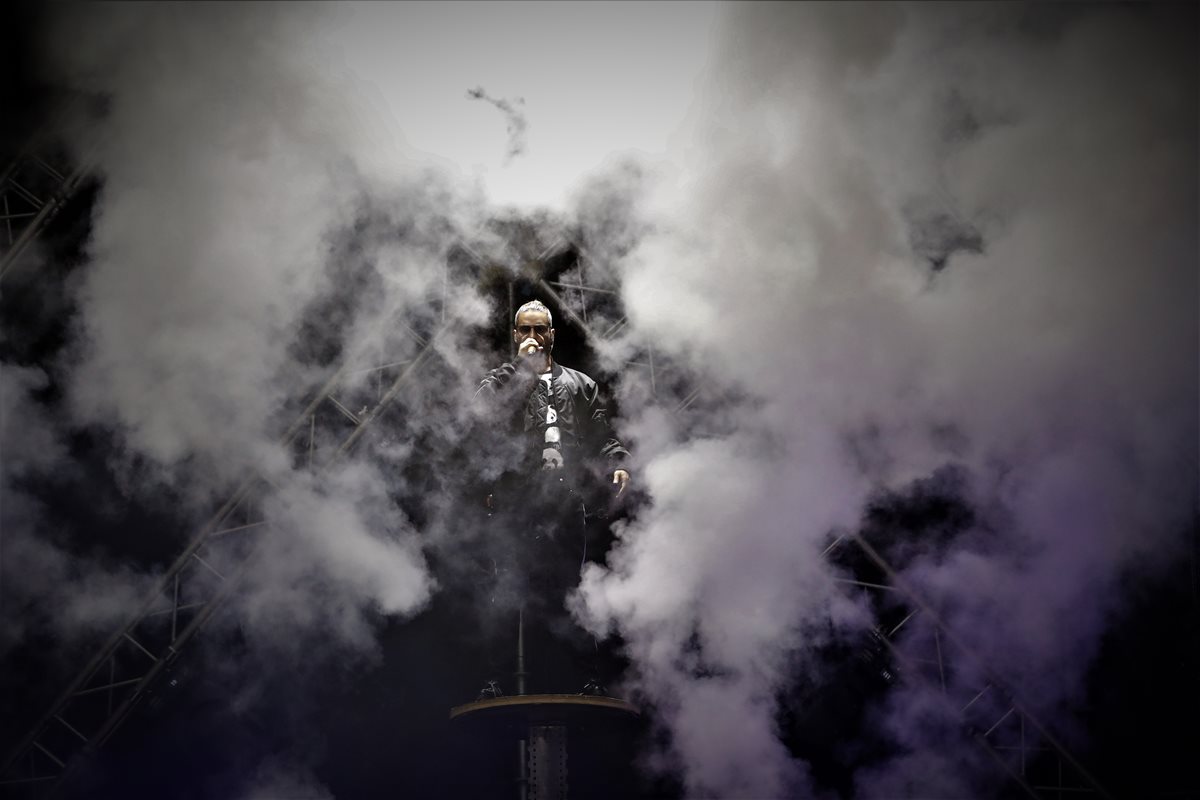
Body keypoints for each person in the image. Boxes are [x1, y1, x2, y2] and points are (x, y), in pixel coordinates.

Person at [470, 299, 630, 695]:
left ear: (552, 334)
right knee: (506, 589)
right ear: (515, 335)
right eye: (524, 330)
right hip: (515, 500)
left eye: (539, 329)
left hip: (564, 500)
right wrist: (518, 373)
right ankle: (494, 682)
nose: (532, 338)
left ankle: (586, 680)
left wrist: (617, 462)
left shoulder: (580, 383)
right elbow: (480, 416)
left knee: (574, 590)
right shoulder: (501, 382)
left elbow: (601, 433)